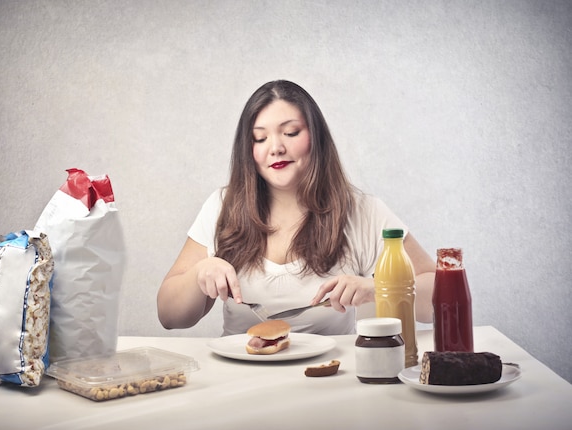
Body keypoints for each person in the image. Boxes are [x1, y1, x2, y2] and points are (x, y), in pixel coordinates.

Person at [157, 80, 435, 336]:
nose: (276, 147)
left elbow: (437, 299)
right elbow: (169, 316)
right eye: (260, 138)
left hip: (332, 379)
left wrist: (379, 289)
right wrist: (200, 273)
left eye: (290, 132)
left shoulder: (363, 211)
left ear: (316, 137)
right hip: (239, 381)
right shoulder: (221, 207)